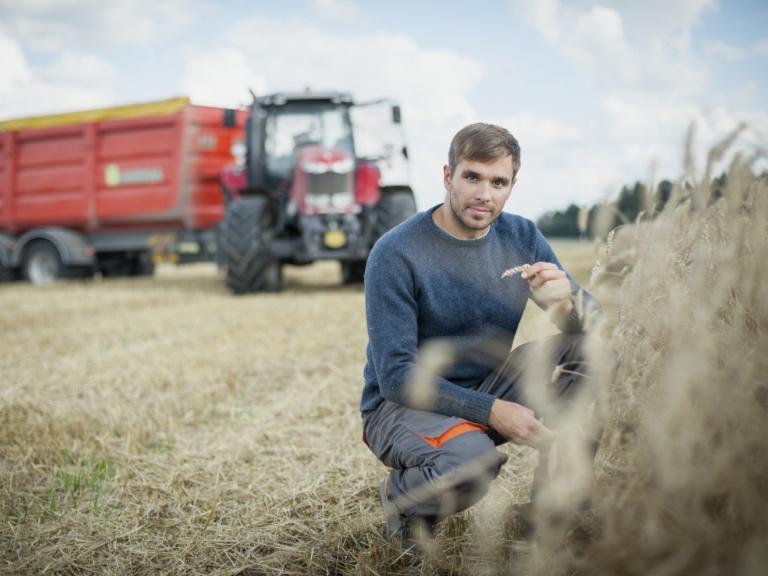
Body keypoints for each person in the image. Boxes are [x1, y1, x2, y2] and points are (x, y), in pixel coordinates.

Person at [360, 122, 597, 548]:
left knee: (594, 352)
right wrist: (493, 411)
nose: (484, 194)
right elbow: (396, 376)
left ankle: (550, 518)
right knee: (473, 463)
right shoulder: (396, 253)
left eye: (498, 182)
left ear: (512, 185)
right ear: (448, 176)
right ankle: (404, 500)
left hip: (489, 384)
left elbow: (595, 323)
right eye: (472, 177)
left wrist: (565, 308)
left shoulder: (522, 236)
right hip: (400, 406)